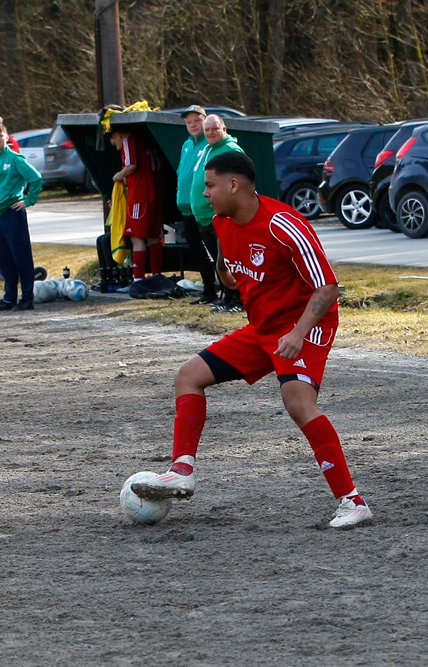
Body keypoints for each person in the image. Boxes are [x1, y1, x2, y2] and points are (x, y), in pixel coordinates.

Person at [130, 152, 372, 529]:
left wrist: (297, 333)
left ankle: (353, 501)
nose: (206, 194)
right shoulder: (221, 222)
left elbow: (328, 289)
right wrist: (224, 264)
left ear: (233, 185)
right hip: (263, 328)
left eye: (210, 185)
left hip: (304, 323)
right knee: (188, 376)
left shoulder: (283, 225)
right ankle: (181, 471)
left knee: (297, 403)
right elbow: (229, 277)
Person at [0, 122, 43, 312]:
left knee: (21, 256)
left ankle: (27, 297)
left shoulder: (15, 159)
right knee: (4, 258)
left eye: (0, 135)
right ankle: (9, 297)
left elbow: (35, 178)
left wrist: (28, 200)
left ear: (7, 137)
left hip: (12, 212)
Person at [190, 114, 245, 313]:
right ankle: (226, 297)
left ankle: (237, 300)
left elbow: (238, 184)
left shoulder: (230, 151)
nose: (211, 132)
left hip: (222, 215)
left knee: (229, 259)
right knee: (217, 259)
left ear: (224, 129)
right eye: (207, 130)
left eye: (215, 128)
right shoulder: (206, 149)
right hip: (204, 216)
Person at [175, 105, 219, 306]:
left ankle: (224, 290)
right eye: (188, 122)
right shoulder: (186, 145)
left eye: (197, 120)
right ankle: (208, 291)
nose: (193, 125)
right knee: (197, 251)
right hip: (186, 207)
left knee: (214, 250)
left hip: (202, 207)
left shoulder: (208, 145)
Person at [109, 128, 164, 281]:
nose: (117, 147)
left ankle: (138, 278)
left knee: (136, 237)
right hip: (155, 194)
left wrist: (119, 175)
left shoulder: (128, 140)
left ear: (119, 135)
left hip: (140, 195)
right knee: (154, 237)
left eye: (115, 143)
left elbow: (131, 165)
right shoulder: (146, 141)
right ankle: (157, 276)